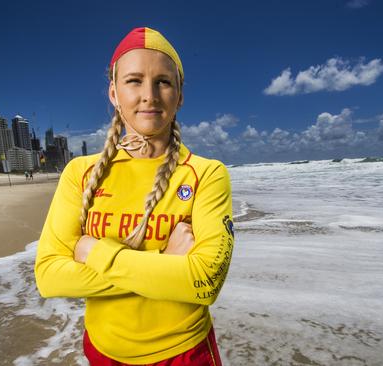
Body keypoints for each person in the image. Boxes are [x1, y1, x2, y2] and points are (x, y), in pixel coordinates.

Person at [34, 27, 234, 366]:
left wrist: (95, 251)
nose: (149, 95)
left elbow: (205, 282)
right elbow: (49, 277)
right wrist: (166, 263)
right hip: (103, 351)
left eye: (163, 82)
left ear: (180, 94)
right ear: (113, 93)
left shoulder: (206, 174)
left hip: (183, 353)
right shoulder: (80, 173)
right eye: (134, 81)